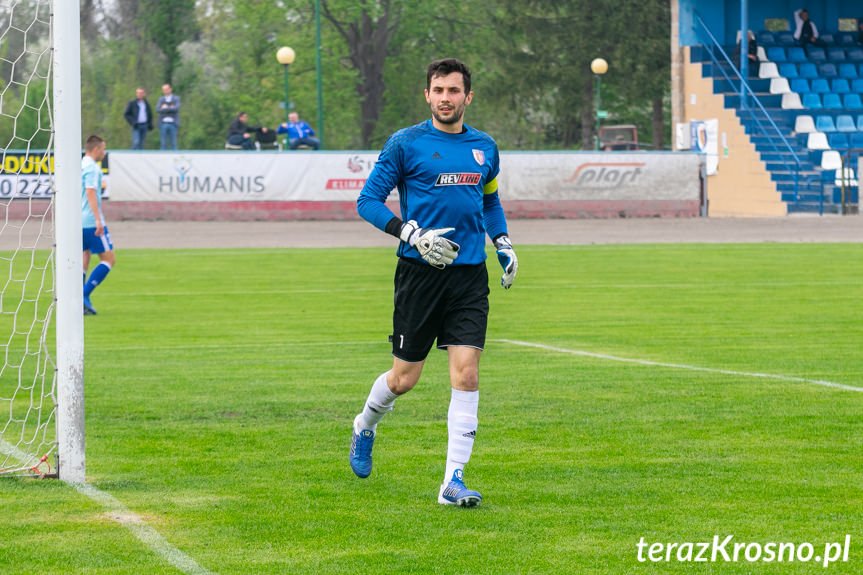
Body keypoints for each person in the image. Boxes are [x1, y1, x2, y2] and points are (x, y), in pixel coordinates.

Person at [351, 58, 518, 508]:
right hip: (419, 275)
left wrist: (502, 241)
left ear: (468, 96)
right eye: (438, 90)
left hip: (468, 276)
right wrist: (408, 231)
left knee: (467, 373)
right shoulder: (405, 144)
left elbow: (490, 199)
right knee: (404, 379)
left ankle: (452, 482)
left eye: (454, 90)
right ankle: (364, 425)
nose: (446, 98)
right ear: (427, 95)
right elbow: (367, 201)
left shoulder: (485, 147)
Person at [81, 135, 115, 315]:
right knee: (109, 259)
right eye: (103, 149)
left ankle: (75, 299)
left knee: (84, 255)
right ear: (95, 150)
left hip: (76, 220)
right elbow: (90, 191)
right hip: (89, 221)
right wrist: (97, 219)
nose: (104, 152)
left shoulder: (79, 165)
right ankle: (83, 295)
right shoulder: (92, 168)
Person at [156, 83, 181, 150]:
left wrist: (165, 107)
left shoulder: (176, 98)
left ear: (170, 89)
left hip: (173, 123)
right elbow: (158, 109)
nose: (165, 91)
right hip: (163, 123)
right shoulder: (161, 99)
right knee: (163, 144)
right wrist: (170, 108)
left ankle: (176, 158)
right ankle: (162, 159)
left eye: (166, 89)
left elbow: (176, 109)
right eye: (164, 90)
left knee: (174, 143)